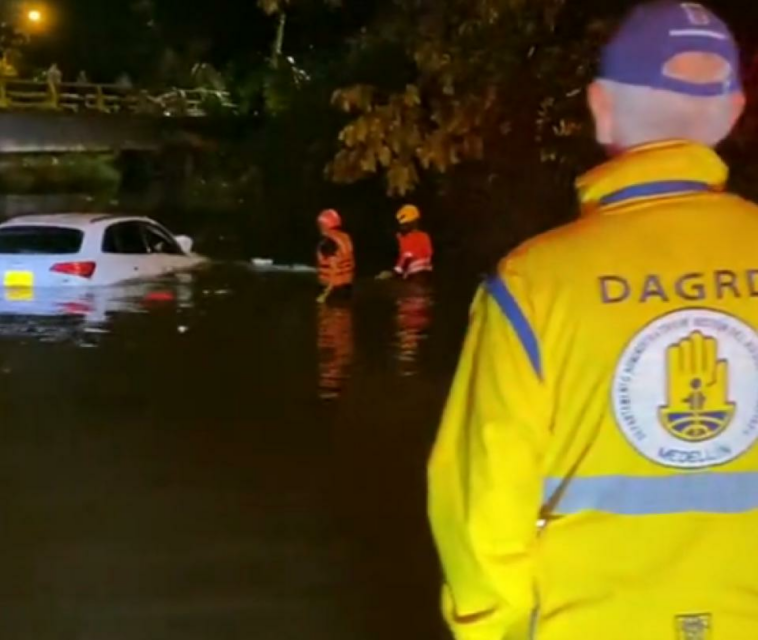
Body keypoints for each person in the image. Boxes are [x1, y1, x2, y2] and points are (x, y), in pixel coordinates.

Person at [428, 3, 758, 640]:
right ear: (731, 114)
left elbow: (479, 502)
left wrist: (492, 629)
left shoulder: (534, 283)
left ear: (602, 106)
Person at [377, 204, 433, 280]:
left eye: (404, 225)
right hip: (426, 277)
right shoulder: (425, 236)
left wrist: (392, 273)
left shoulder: (410, 238)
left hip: (415, 278)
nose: (402, 227)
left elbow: (406, 257)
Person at [316, 209, 355, 304]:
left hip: (333, 289)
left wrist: (325, 294)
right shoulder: (345, 238)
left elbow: (333, 266)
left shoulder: (327, 243)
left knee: (328, 315)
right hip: (347, 286)